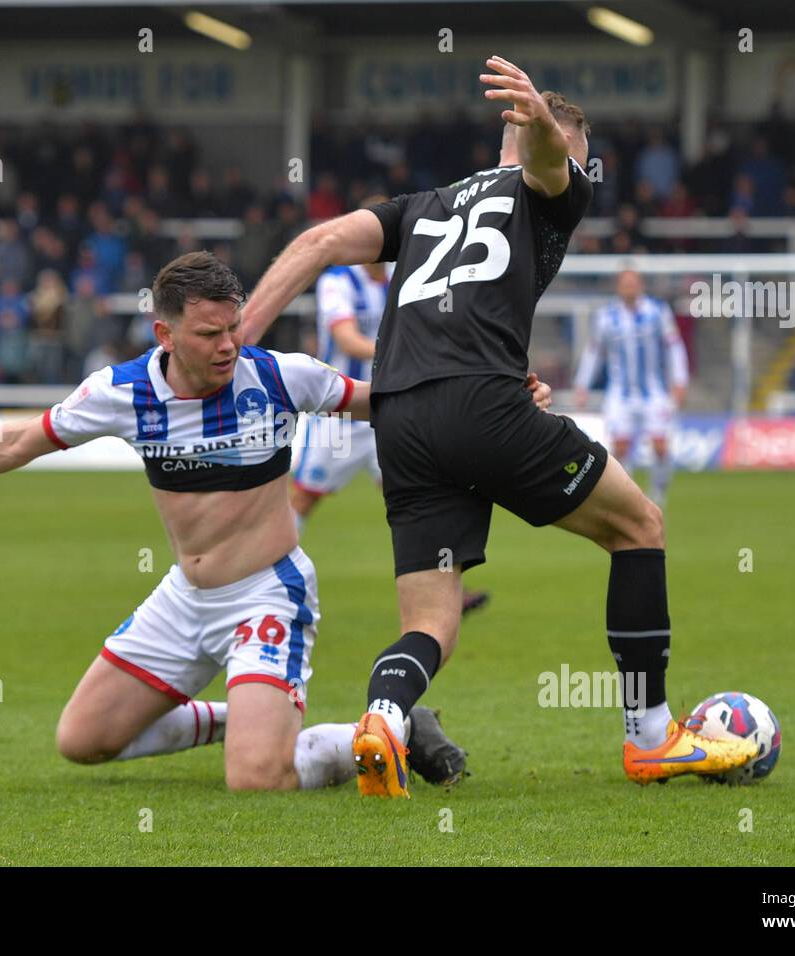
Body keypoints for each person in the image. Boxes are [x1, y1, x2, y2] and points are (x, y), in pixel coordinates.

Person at [0, 252, 553, 790]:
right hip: (183, 600)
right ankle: (246, 712)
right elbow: (15, 440)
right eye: (209, 334)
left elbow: (393, 399)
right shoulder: (123, 393)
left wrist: (497, 394)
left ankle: (375, 731)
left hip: (267, 595)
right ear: (165, 334)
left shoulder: (277, 376)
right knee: (81, 742)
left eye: (233, 327)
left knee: (256, 784)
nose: (228, 344)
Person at [241, 57, 755, 796]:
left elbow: (319, 243)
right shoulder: (551, 187)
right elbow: (548, 165)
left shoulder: (420, 206)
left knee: (434, 620)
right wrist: (546, 129)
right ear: (565, 154)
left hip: (400, 417)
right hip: (482, 408)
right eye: (577, 164)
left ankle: (384, 718)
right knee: (639, 525)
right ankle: (651, 737)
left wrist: (243, 344)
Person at [291, 198, 492, 614]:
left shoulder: (407, 277)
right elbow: (345, 339)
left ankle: (450, 592)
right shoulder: (337, 280)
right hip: (341, 410)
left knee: (419, 498)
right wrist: (401, 352)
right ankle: (264, 578)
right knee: (303, 498)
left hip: (390, 410)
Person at [573, 269, 688, 508]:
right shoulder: (607, 316)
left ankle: (658, 494)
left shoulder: (657, 312)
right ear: (618, 286)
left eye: (633, 283)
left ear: (640, 285)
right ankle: (630, 498)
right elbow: (594, 353)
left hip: (653, 392)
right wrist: (582, 384)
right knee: (621, 448)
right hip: (620, 394)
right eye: (625, 283)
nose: (629, 287)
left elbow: (674, 347)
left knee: (660, 445)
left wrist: (679, 380)